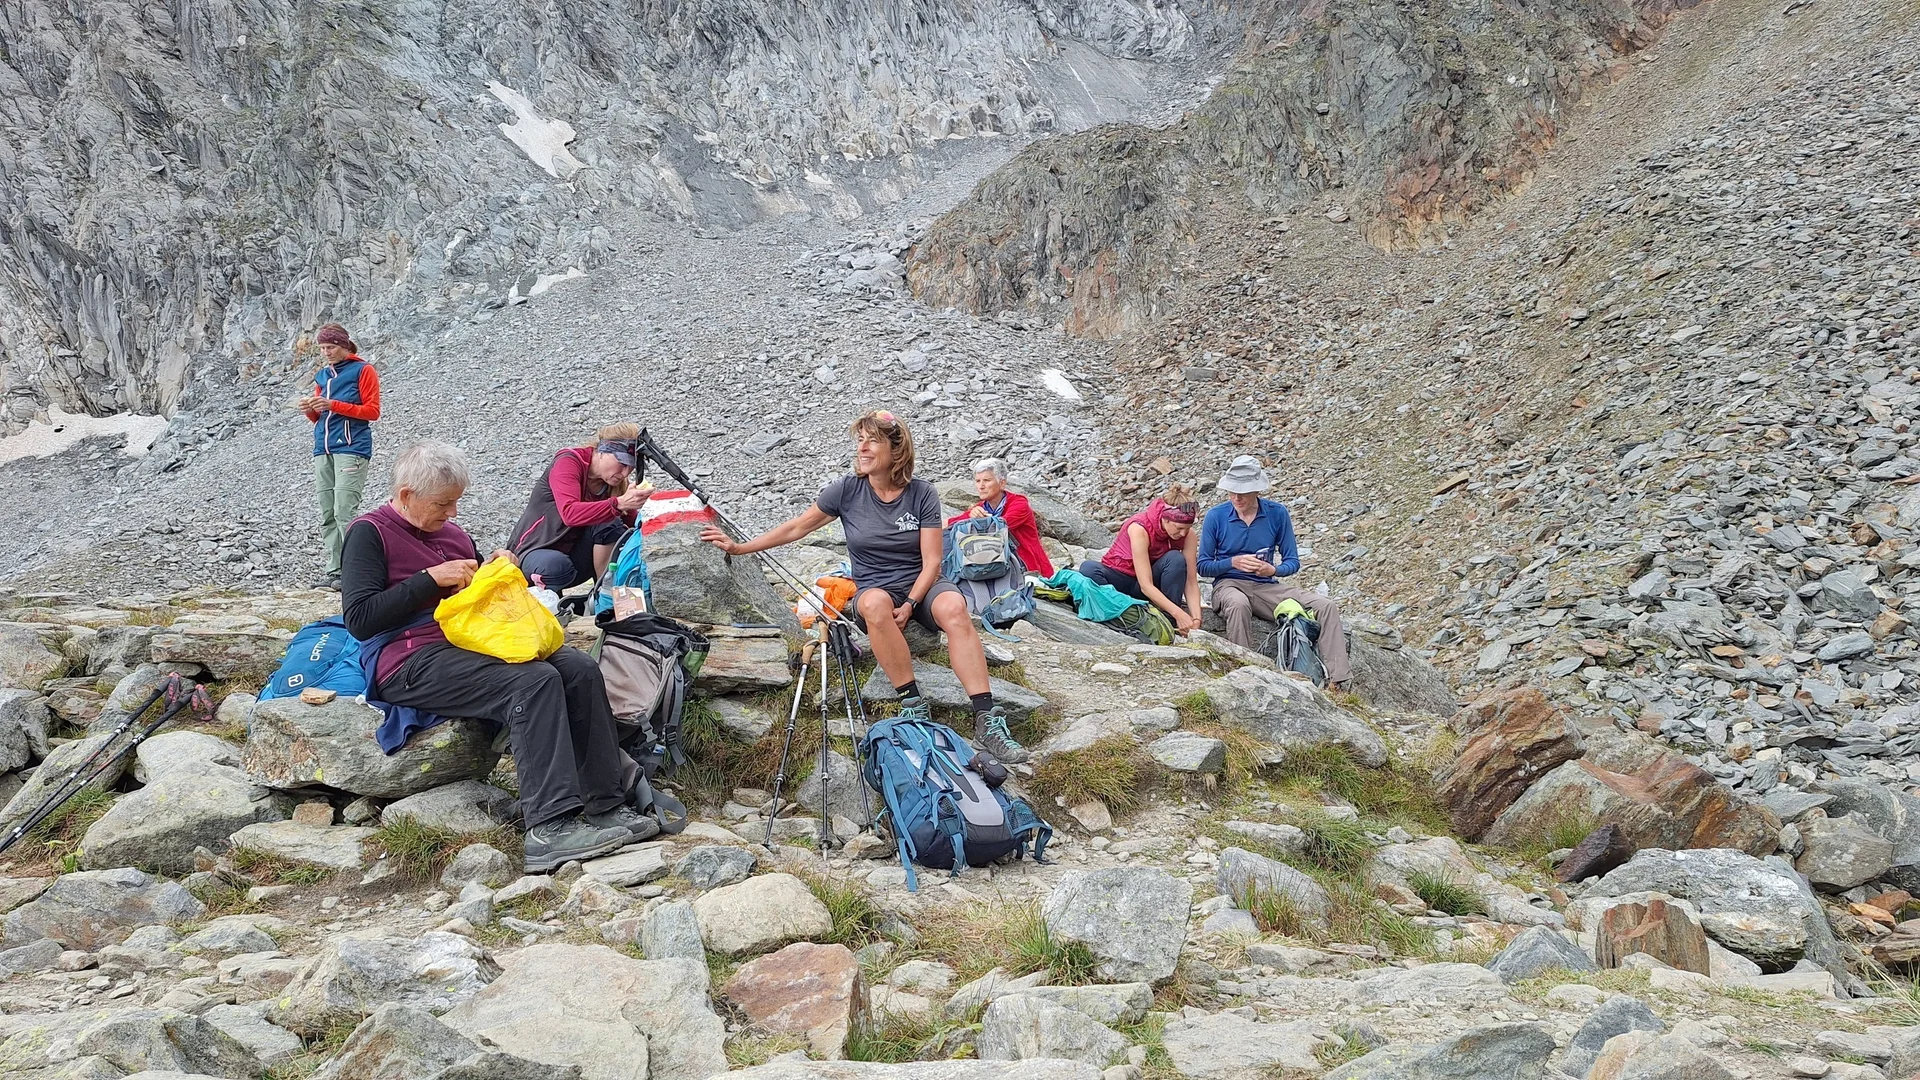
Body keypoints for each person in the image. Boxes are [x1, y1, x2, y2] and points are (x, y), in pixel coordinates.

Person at [340, 441, 654, 873]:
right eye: (443, 504)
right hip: (406, 659)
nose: (452, 513)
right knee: (533, 681)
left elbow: (477, 595)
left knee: (578, 668)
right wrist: (428, 580)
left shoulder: (453, 535)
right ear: (407, 495)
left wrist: (496, 568)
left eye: (456, 502)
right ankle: (549, 826)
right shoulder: (369, 532)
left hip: (471, 642)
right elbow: (360, 619)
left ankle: (605, 804)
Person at [700, 410, 1031, 763]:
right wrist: (741, 547)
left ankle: (986, 720)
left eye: (872, 441)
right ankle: (912, 703)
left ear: (896, 450)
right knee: (873, 605)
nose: (862, 448)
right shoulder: (847, 490)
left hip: (921, 584)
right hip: (876, 587)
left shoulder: (921, 493)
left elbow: (933, 561)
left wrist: (911, 603)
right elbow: (798, 527)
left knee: (954, 608)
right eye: (860, 440)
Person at [1198, 455, 1351, 688]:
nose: (1236, 498)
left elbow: (1292, 562)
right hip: (1228, 585)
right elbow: (1203, 565)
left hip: (1266, 586)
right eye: (1232, 491)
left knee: (1325, 606)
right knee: (1238, 604)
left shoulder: (1277, 513)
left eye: (1243, 492)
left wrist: (1273, 569)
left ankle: (1338, 681)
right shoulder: (1216, 516)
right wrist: (1232, 562)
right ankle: (1245, 675)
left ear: (1257, 490)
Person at [507, 423, 647, 591]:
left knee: (611, 524)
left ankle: (604, 594)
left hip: (573, 556)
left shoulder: (613, 481)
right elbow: (569, 513)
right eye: (622, 463)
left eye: (631, 468)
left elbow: (632, 524)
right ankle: (546, 601)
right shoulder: (568, 462)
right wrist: (619, 503)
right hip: (533, 552)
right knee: (556, 566)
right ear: (602, 451)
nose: (625, 473)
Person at [299, 323, 381, 590]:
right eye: (322, 348)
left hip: (352, 447)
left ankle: (354, 574)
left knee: (344, 511)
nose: (326, 352)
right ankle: (335, 571)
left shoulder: (363, 370)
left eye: (331, 347)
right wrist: (310, 409)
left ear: (344, 345)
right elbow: (319, 418)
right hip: (323, 450)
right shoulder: (322, 376)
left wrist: (333, 404)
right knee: (328, 513)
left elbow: (372, 411)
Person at [1078, 484, 1203, 634]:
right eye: (1179, 528)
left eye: (1187, 528)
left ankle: (1168, 620)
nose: (1183, 533)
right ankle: (1118, 611)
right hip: (1121, 580)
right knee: (1089, 569)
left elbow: (1191, 581)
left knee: (1175, 559)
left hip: (1145, 585)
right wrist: (1179, 613)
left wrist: (1196, 619)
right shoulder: (1140, 528)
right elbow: (1146, 585)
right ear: (1166, 519)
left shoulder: (1188, 536)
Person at [945, 457, 1054, 577]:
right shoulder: (981, 507)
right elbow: (952, 522)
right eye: (978, 481)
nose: (981, 486)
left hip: (1031, 570)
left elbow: (999, 526)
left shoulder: (1019, 504)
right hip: (1000, 567)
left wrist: (975, 519)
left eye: (986, 480)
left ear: (1002, 483)